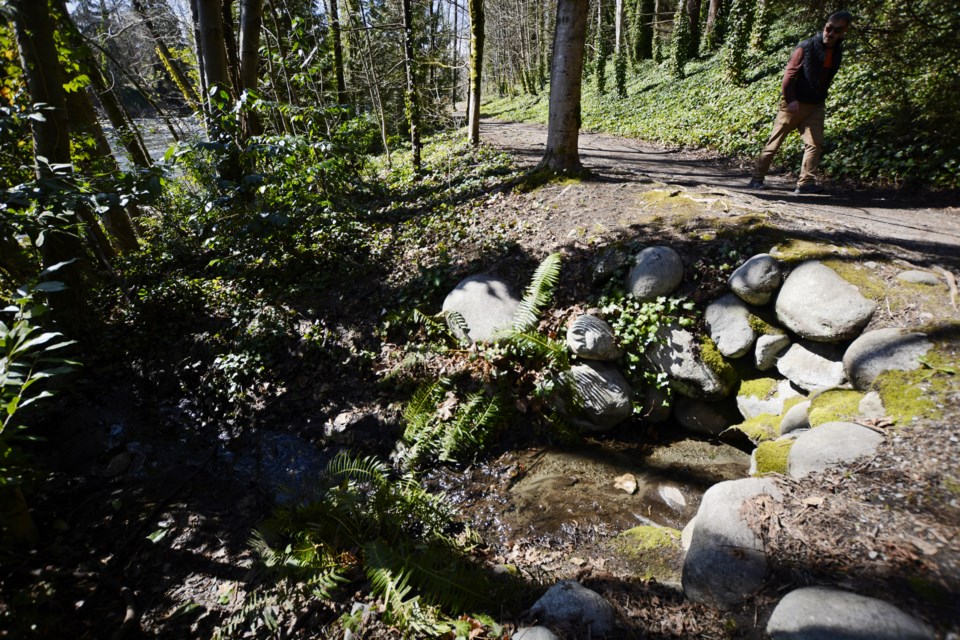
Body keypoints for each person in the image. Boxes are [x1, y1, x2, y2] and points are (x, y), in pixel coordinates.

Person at [748, 10, 853, 194]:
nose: (831, 33)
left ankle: (805, 183)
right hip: (793, 105)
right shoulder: (805, 47)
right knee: (774, 143)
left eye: (837, 30)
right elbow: (789, 73)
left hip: (816, 105)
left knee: (814, 144)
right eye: (829, 28)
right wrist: (790, 99)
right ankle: (756, 178)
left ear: (843, 32)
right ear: (824, 26)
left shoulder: (837, 51)